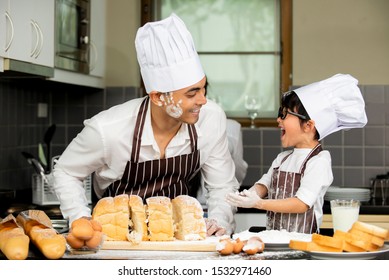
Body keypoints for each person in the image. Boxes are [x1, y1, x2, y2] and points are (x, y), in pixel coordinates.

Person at [53, 14, 240, 236]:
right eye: (192, 93)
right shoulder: (108, 130)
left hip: (177, 236)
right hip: (118, 238)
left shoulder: (211, 118)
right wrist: (80, 218)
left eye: (203, 89)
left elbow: (222, 186)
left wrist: (219, 220)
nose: (203, 100)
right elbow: (66, 171)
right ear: (159, 97)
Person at [226, 74, 367, 234]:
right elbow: (265, 184)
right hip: (276, 241)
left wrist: (258, 204)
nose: (278, 120)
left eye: (284, 114)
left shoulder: (319, 161)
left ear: (308, 125)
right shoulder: (282, 158)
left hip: (304, 244)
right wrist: (249, 195)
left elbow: (301, 204)